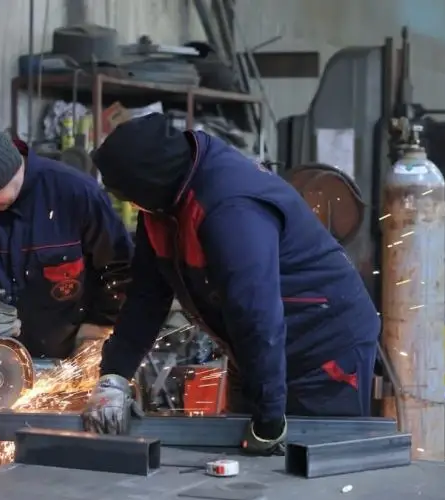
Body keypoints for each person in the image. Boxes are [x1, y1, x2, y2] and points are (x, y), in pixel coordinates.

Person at [80, 114, 380, 455]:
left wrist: (269, 418)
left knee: (311, 466)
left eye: (131, 198)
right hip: (258, 348)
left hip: (324, 350)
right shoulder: (162, 203)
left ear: (149, 186)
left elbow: (256, 313)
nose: (133, 207)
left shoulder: (230, 208)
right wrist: (114, 376)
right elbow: (146, 296)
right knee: (245, 461)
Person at [0, 126, 133, 362]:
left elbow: (120, 268)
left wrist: (99, 327)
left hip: (71, 356)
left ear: (14, 170)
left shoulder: (76, 194)